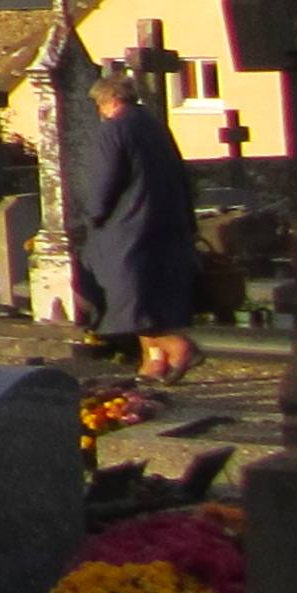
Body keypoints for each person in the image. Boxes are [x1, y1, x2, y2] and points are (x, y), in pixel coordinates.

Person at [79, 61, 201, 382]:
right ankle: (153, 362)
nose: (99, 111)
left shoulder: (114, 130)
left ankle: (178, 347)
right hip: (164, 223)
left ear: (110, 101)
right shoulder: (153, 125)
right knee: (149, 297)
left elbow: (104, 181)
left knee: (123, 298)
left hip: (127, 226)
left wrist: (91, 216)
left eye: (99, 104)